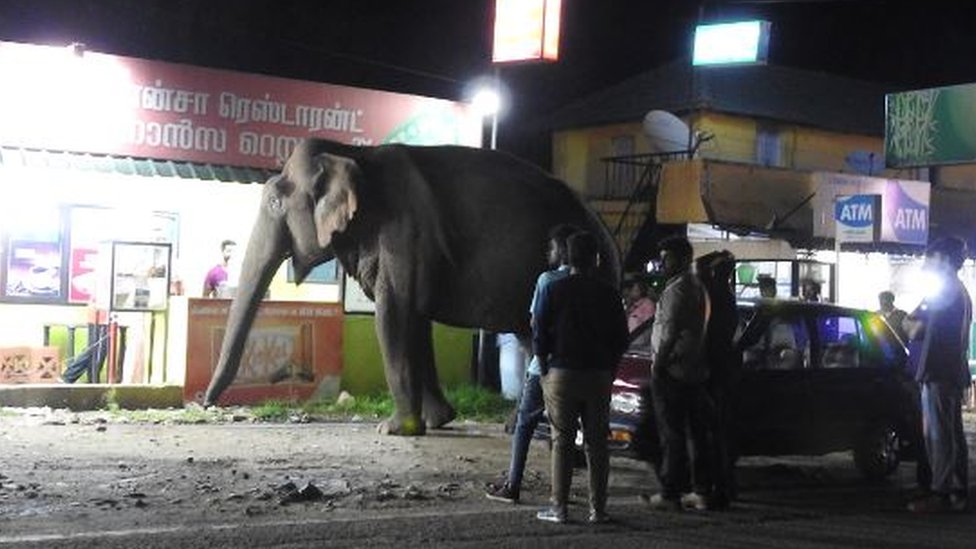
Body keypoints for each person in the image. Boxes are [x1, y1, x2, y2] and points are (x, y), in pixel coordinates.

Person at [533, 231, 629, 524]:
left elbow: (539, 331)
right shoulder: (609, 293)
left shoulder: (553, 289)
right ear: (596, 259)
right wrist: (609, 368)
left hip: (561, 372)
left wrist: (544, 366)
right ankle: (597, 509)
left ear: (567, 258)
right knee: (597, 443)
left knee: (561, 440)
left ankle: (559, 507)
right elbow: (621, 338)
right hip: (598, 374)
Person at [485, 224, 578, 504]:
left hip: (545, 367)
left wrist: (540, 360)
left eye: (551, 247)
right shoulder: (588, 283)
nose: (548, 252)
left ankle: (513, 484)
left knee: (525, 424)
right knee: (564, 432)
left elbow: (537, 323)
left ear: (561, 250)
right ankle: (562, 490)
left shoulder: (547, 280)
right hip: (575, 366)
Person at [644, 235, 712, 512]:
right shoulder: (698, 287)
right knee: (696, 433)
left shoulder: (677, 290)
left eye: (667, 257)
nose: (663, 263)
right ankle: (700, 490)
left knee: (671, 434)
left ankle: (670, 491)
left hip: (674, 370)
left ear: (683, 258)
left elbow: (670, 332)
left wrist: (659, 365)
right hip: (695, 370)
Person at [904, 236, 971, 513]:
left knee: (938, 435)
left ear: (943, 260)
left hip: (938, 371)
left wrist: (911, 323)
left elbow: (912, 327)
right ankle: (956, 490)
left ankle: (940, 492)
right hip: (950, 370)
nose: (927, 263)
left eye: (932, 258)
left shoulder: (943, 291)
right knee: (951, 434)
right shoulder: (960, 291)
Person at [695, 250, 739, 510]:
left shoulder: (715, 294)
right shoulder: (726, 295)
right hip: (724, 369)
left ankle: (717, 488)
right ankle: (725, 486)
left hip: (713, 370)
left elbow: (698, 266)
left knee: (714, 433)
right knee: (722, 433)